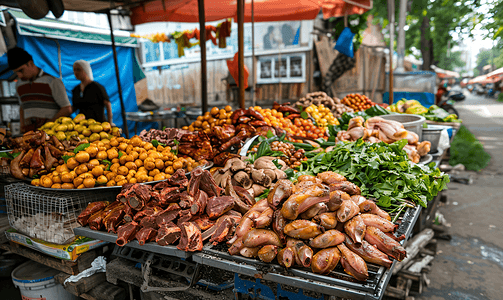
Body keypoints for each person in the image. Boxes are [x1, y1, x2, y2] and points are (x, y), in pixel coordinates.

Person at [7, 46, 72, 132]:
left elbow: (67, 109)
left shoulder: (52, 81)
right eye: (16, 72)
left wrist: (47, 125)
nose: (19, 75)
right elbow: (22, 106)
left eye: (21, 70)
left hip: (50, 134)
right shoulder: (19, 84)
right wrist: (22, 127)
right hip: (29, 133)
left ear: (30, 63)